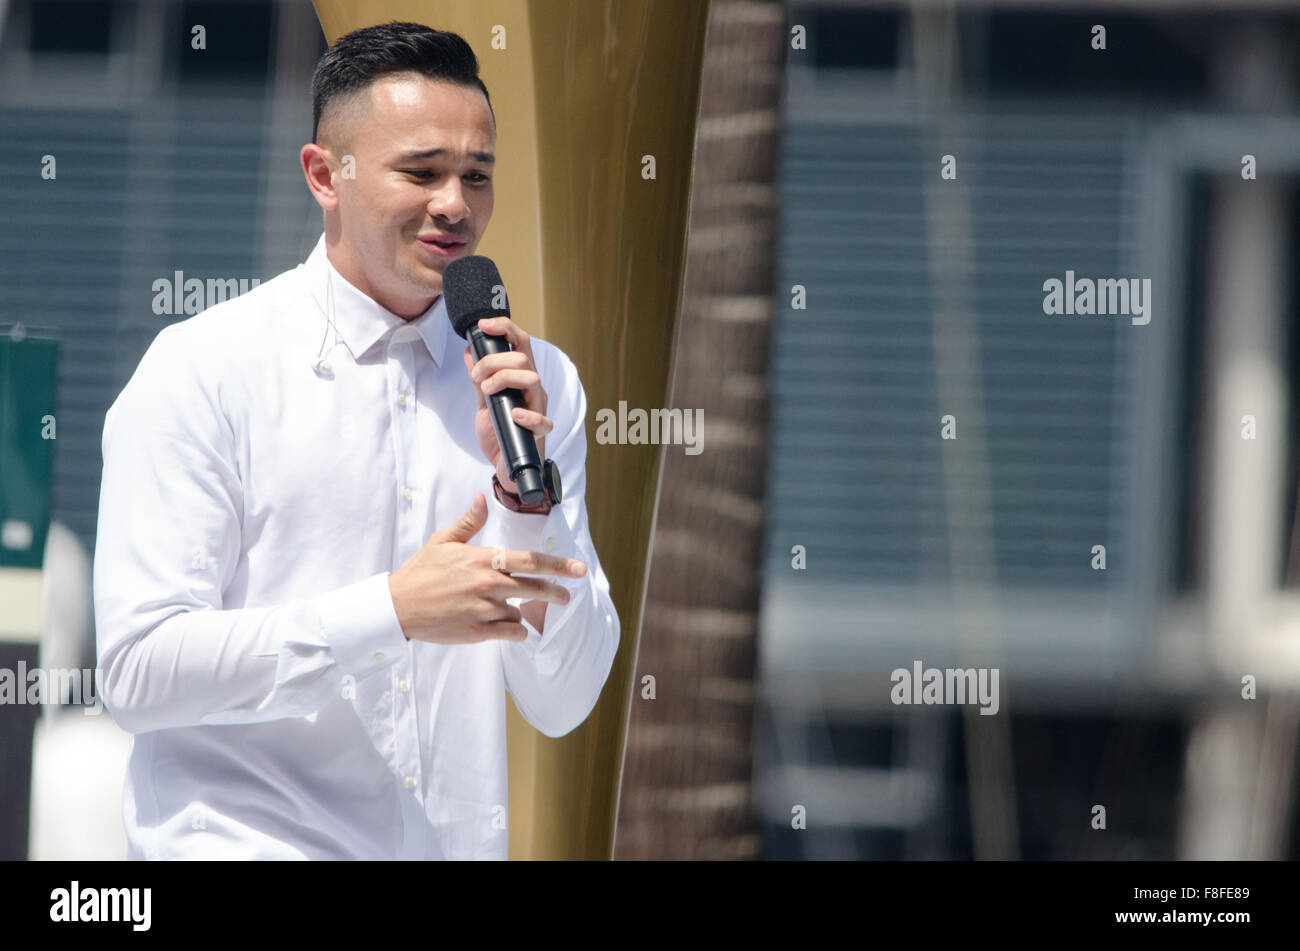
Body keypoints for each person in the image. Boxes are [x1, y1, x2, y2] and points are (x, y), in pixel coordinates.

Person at [92, 22, 620, 860]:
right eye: (422, 171)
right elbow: (139, 669)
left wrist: (525, 504)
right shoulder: (205, 368)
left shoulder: (536, 378)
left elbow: (565, 698)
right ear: (322, 174)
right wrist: (390, 613)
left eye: (477, 176)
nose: (456, 203)